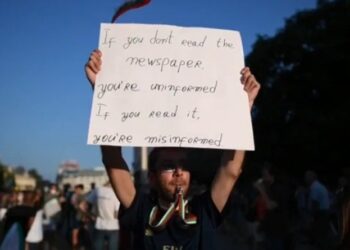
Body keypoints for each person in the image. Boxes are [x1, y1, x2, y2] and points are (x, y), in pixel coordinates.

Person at [85, 49, 260, 249]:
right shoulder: (141, 210)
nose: (178, 172)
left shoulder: (204, 209)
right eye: (168, 166)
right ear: (152, 177)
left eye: (183, 165)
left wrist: (243, 110)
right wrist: (102, 92)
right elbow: (112, 159)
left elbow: (230, 170)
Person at [86, 181, 120, 250]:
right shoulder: (116, 193)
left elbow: (83, 206)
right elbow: (116, 214)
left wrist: (91, 216)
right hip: (113, 226)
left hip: (99, 225)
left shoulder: (98, 190)